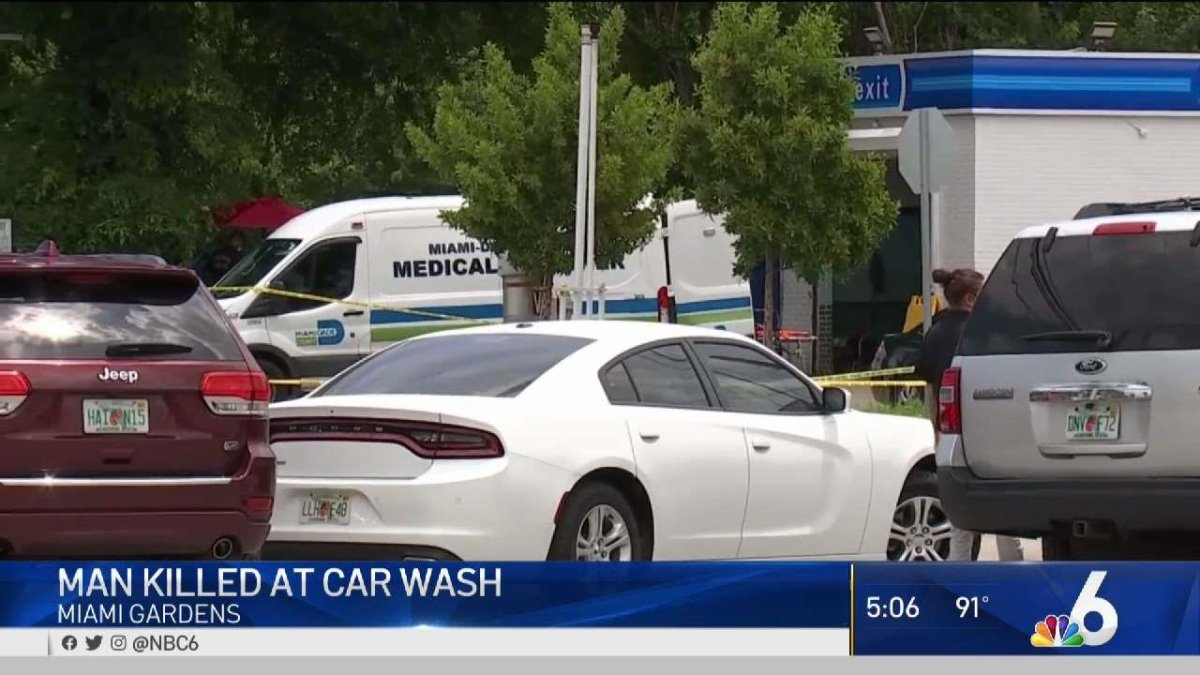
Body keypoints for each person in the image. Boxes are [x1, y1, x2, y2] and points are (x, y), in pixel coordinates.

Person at [916, 267, 1025, 562]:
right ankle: (1014, 577)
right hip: (993, 432)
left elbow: (931, 390)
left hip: (953, 435)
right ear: (970, 298)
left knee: (960, 521)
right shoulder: (987, 332)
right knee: (1004, 515)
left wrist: (938, 431)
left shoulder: (935, 333)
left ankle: (961, 582)